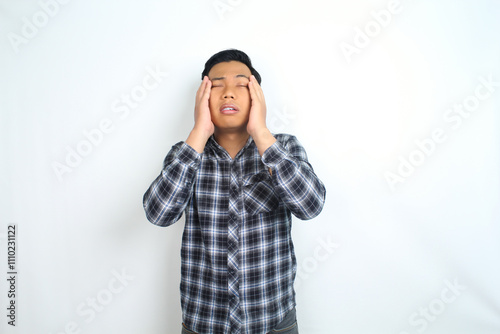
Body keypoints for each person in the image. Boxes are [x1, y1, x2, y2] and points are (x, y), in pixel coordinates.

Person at [143, 49, 326, 334]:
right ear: (203, 98)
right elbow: (159, 214)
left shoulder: (284, 148)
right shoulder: (185, 154)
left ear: (257, 96)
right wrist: (198, 133)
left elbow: (311, 205)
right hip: (203, 322)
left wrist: (261, 132)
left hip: (273, 321)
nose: (228, 93)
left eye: (241, 85)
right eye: (216, 86)